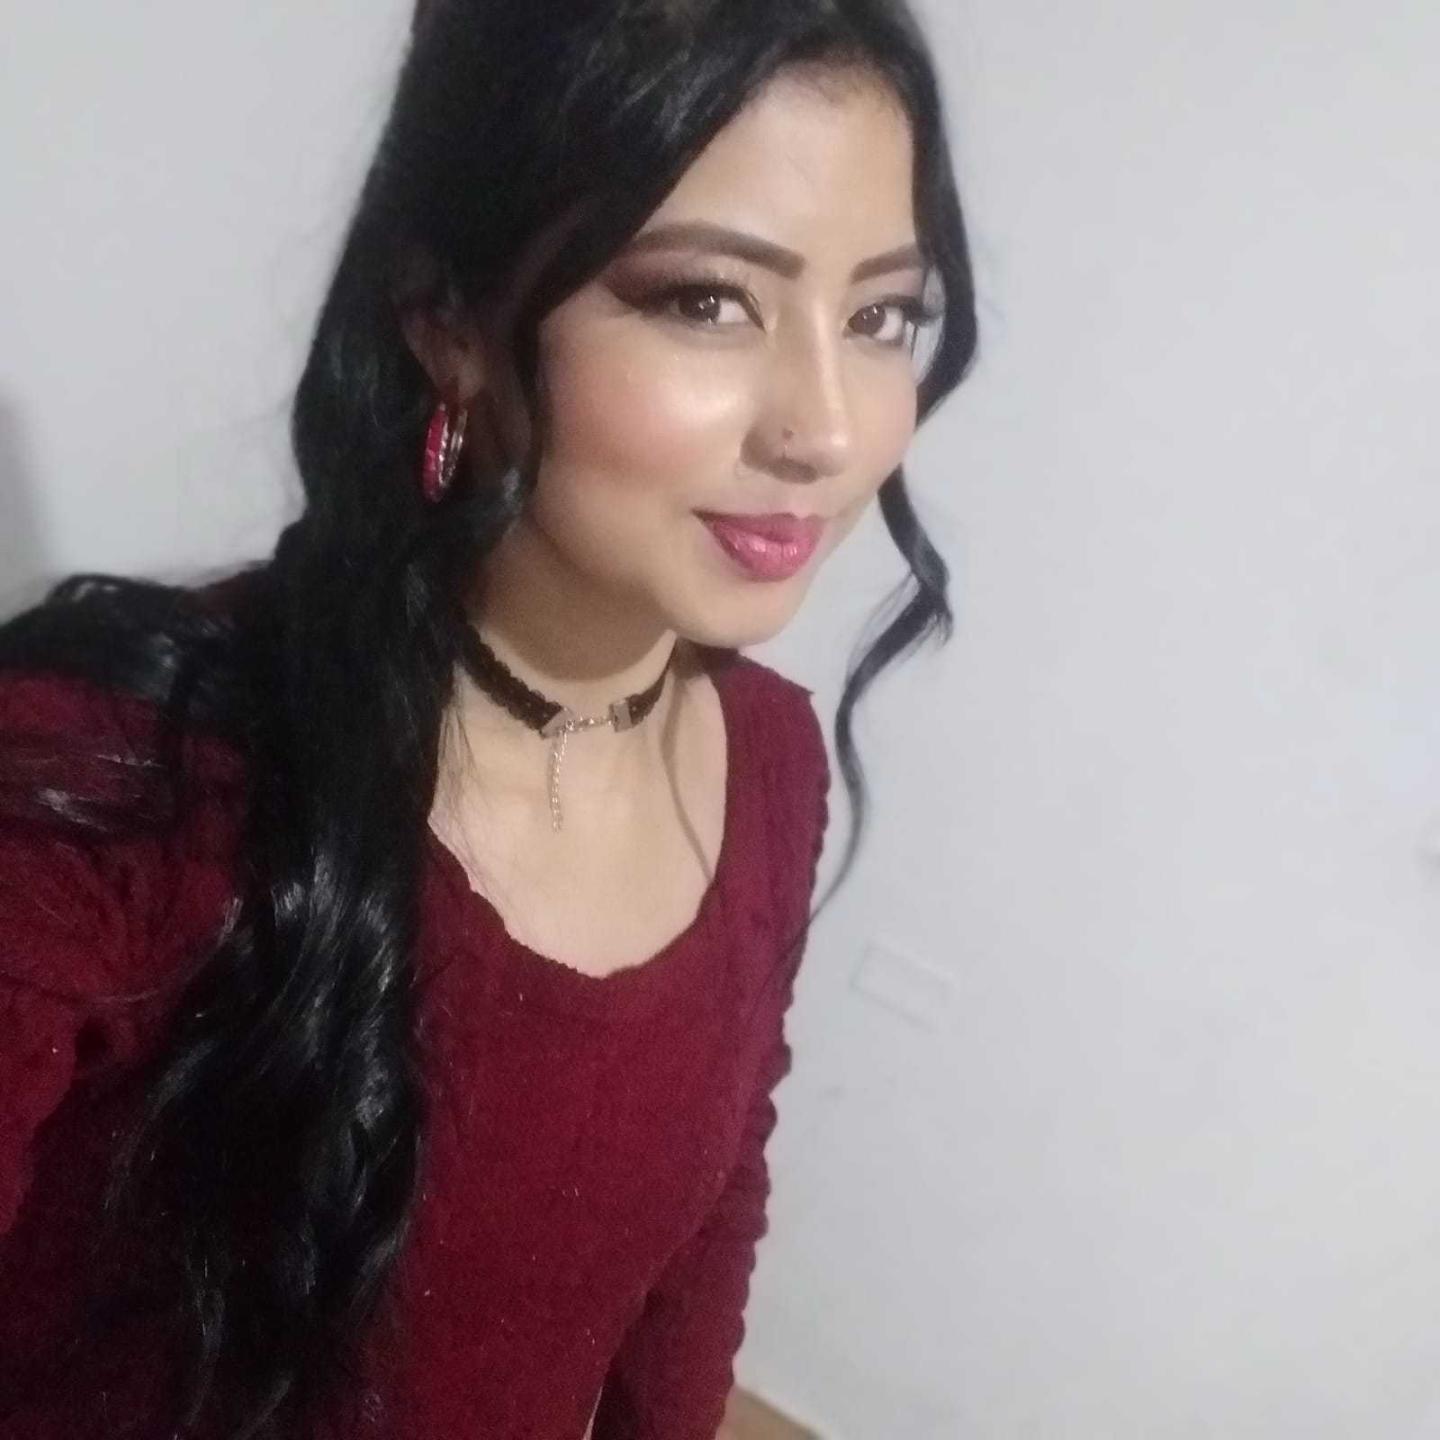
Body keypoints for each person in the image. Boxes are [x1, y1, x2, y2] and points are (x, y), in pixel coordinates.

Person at [0, 0, 977, 1435]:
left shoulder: (767, 763)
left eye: (882, 315)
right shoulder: (121, 773)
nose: (827, 431)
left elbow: (708, 1217)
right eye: (707, 300)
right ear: (448, 321)